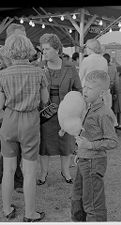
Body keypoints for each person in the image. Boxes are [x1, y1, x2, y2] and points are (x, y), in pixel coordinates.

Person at [0, 34, 49, 221]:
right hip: (30, 121)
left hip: (9, 121)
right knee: (29, 171)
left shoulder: (3, 74)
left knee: (8, 169)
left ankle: (6, 209)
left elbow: (0, 105)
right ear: (28, 50)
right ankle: (30, 214)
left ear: (9, 51)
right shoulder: (39, 72)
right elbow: (45, 100)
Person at [71, 70, 118, 221]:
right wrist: (79, 152)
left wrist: (90, 145)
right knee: (77, 197)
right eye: (85, 86)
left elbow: (113, 141)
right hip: (84, 160)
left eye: (90, 88)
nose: (85, 90)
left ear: (102, 93)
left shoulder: (104, 113)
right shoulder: (88, 107)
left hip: (94, 162)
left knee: (92, 203)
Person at [37, 33, 82, 185]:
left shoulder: (70, 68)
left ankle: (66, 171)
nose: (44, 52)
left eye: (47, 49)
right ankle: (43, 173)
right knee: (44, 143)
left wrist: (74, 106)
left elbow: (78, 90)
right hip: (45, 111)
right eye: (43, 49)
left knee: (66, 142)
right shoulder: (39, 67)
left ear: (57, 49)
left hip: (66, 111)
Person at [0, 45, 24, 193]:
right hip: (7, 117)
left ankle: (17, 180)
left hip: (8, 117)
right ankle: (15, 180)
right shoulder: (5, 73)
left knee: (13, 152)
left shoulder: (7, 73)